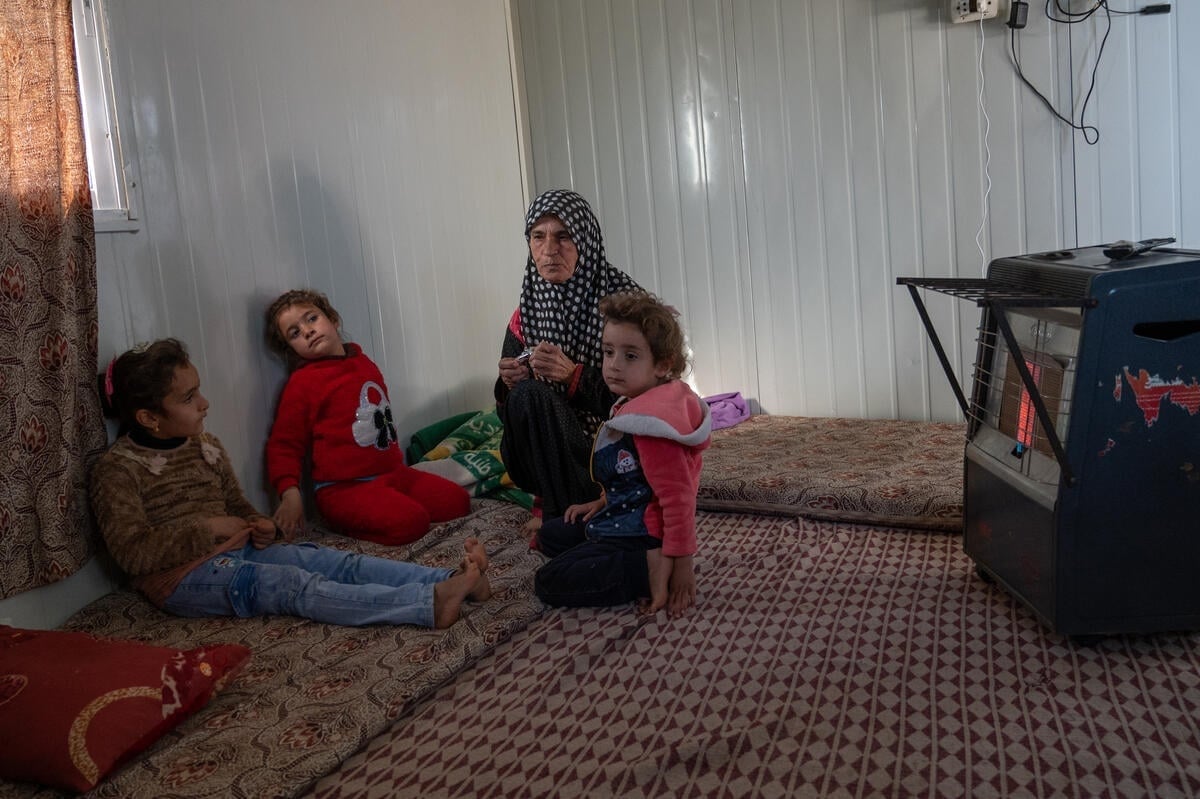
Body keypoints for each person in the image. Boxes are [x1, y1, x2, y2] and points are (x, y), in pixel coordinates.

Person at [90, 338, 490, 629]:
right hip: (183, 577)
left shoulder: (204, 446)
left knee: (329, 560)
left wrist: (256, 523)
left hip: (236, 548)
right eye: (189, 397)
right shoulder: (117, 470)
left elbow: (235, 504)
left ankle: (448, 581)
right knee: (290, 584)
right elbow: (132, 553)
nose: (204, 403)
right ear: (148, 418)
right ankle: (424, 605)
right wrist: (207, 529)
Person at [533, 292, 711, 617]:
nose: (613, 365)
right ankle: (623, 552)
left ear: (663, 364)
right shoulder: (633, 400)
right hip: (624, 514)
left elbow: (678, 498)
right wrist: (603, 502)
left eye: (630, 356)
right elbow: (634, 477)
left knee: (549, 580)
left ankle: (650, 566)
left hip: (641, 534)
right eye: (608, 352)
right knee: (551, 535)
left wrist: (682, 563)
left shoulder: (654, 424)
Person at [264, 289, 471, 545]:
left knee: (457, 502)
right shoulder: (303, 383)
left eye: (311, 318)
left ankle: (390, 503)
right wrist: (289, 492)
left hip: (392, 474)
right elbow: (284, 444)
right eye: (294, 333)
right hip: (343, 489)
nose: (306, 331)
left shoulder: (363, 362)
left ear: (333, 319)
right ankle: (342, 522)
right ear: (292, 349)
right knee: (411, 523)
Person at [495, 189, 644, 529]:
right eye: (538, 237)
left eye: (563, 237)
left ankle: (571, 512)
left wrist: (574, 376)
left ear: (585, 241)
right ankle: (560, 508)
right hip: (551, 452)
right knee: (526, 397)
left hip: (613, 449)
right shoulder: (527, 312)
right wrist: (509, 383)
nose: (549, 250)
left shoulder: (626, 307)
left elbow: (649, 402)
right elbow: (510, 413)